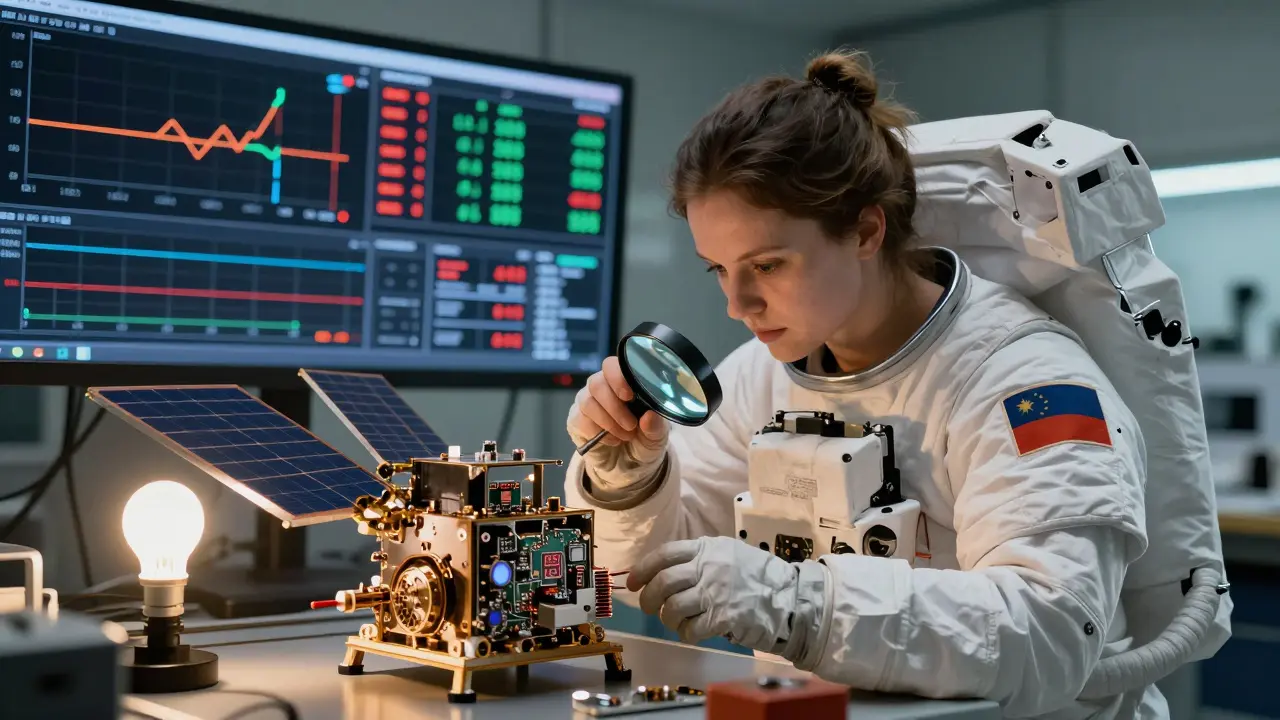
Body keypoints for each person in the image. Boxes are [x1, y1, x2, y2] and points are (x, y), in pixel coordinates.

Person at [563, 48, 1159, 720]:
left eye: (767, 264)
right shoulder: (762, 378)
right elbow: (645, 572)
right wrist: (627, 482)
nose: (739, 304)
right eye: (719, 271)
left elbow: (1049, 634)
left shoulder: (1026, 383)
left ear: (866, 230)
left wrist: (801, 605)